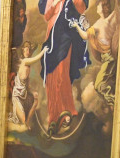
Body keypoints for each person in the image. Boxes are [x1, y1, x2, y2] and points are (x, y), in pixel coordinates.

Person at [38, 0, 90, 134]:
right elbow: (47, 16)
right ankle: (53, 117)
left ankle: (65, 110)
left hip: (66, 36)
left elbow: (81, 8)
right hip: (52, 36)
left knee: (61, 73)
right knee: (51, 76)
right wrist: (55, 3)